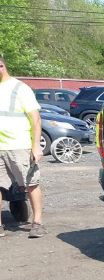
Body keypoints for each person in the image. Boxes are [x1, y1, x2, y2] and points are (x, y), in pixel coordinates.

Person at [0, 54, 46, 238]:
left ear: (1, 65)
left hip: (19, 146)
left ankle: (37, 223)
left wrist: (35, 146)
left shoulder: (20, 88)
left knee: (31, 184)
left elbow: (35, 119)